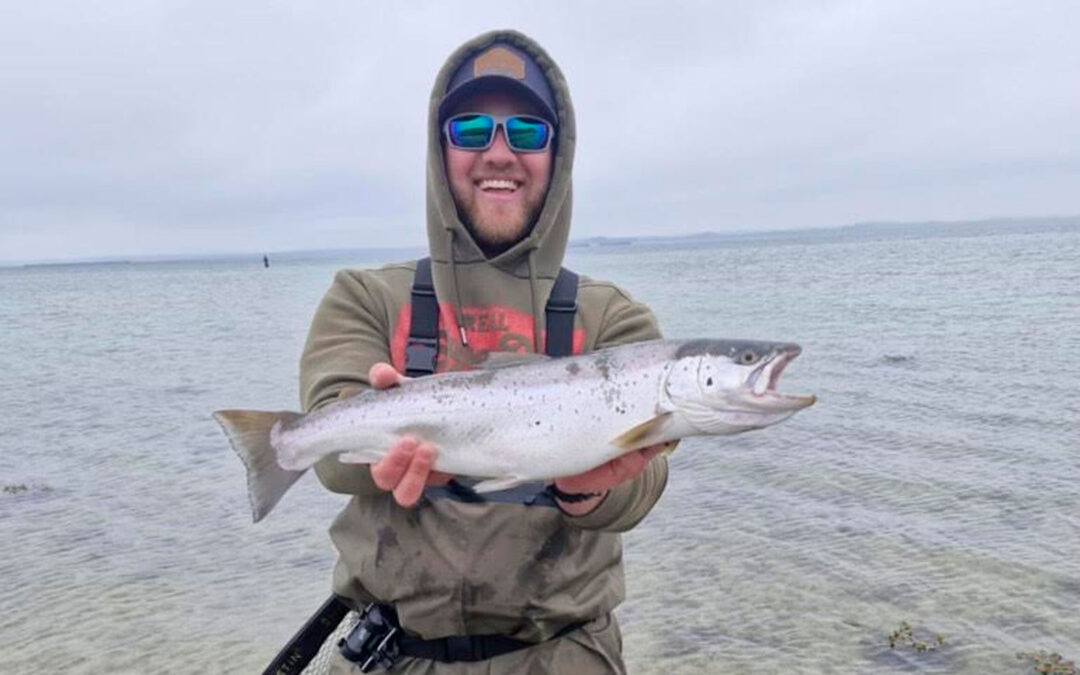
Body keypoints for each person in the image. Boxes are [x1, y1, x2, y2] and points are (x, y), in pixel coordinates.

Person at [300, 30, 671, 673]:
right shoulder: (364, 298)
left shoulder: (615, 318)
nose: (499, 152)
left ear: (557, 155)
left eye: (527, 132)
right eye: (471, 130)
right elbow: (329, 455)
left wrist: (586, 489)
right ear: (440, 149)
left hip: (565, 654)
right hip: (392, 652)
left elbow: (644, 484)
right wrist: (380, 448)